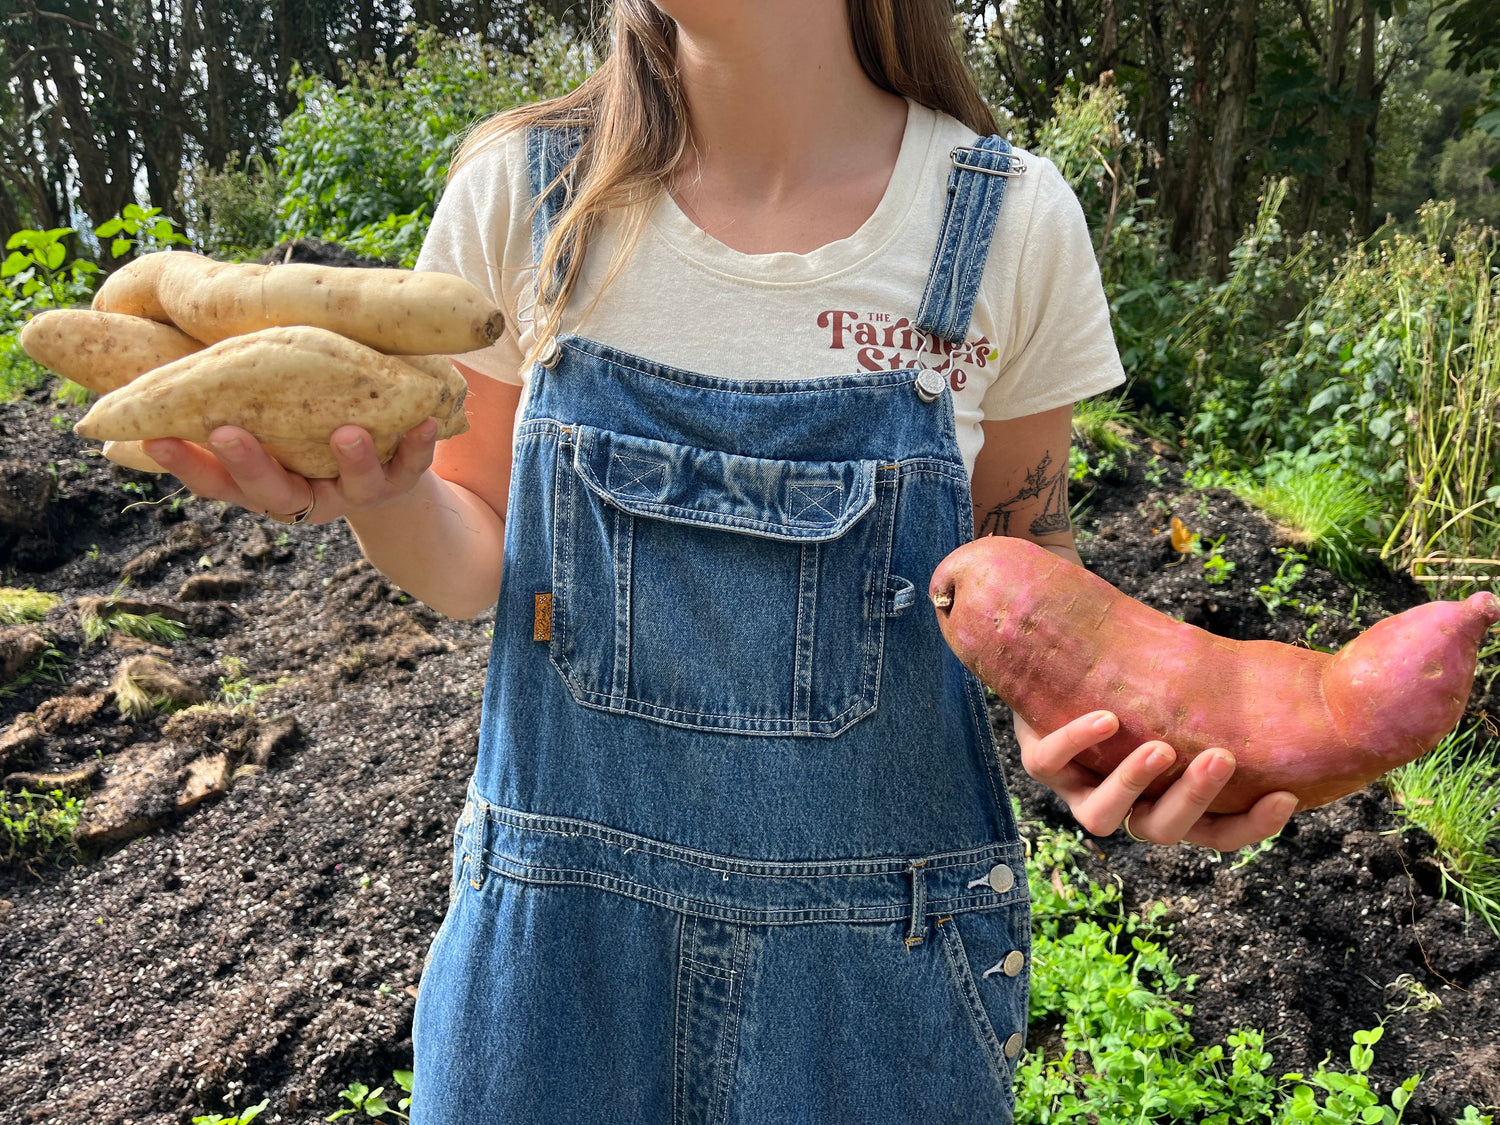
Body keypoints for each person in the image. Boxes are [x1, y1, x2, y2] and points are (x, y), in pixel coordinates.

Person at [143, 1, 1298, 1119]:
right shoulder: (523, 194)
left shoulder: (1005, 223)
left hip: (874, 996)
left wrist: (1087, 737)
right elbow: (471, 558)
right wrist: (385, 492)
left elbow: (1029, 582)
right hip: (553, 982)